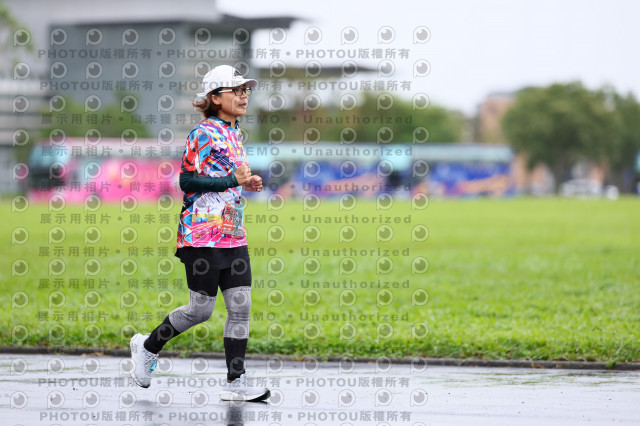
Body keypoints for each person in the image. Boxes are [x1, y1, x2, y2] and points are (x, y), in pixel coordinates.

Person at [129, 65, 269, 402]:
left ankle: (235, 381)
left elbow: (226, 179)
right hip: (201, 234)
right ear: (215, 97)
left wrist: (245, 183)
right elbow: (187, 181)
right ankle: (147, 347)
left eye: (246, 90)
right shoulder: (202, 133)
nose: (244, 96)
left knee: (241, 305)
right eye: (236, 90)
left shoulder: (234, 134)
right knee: (200, 310)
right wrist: (232, 180)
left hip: (232, 231)